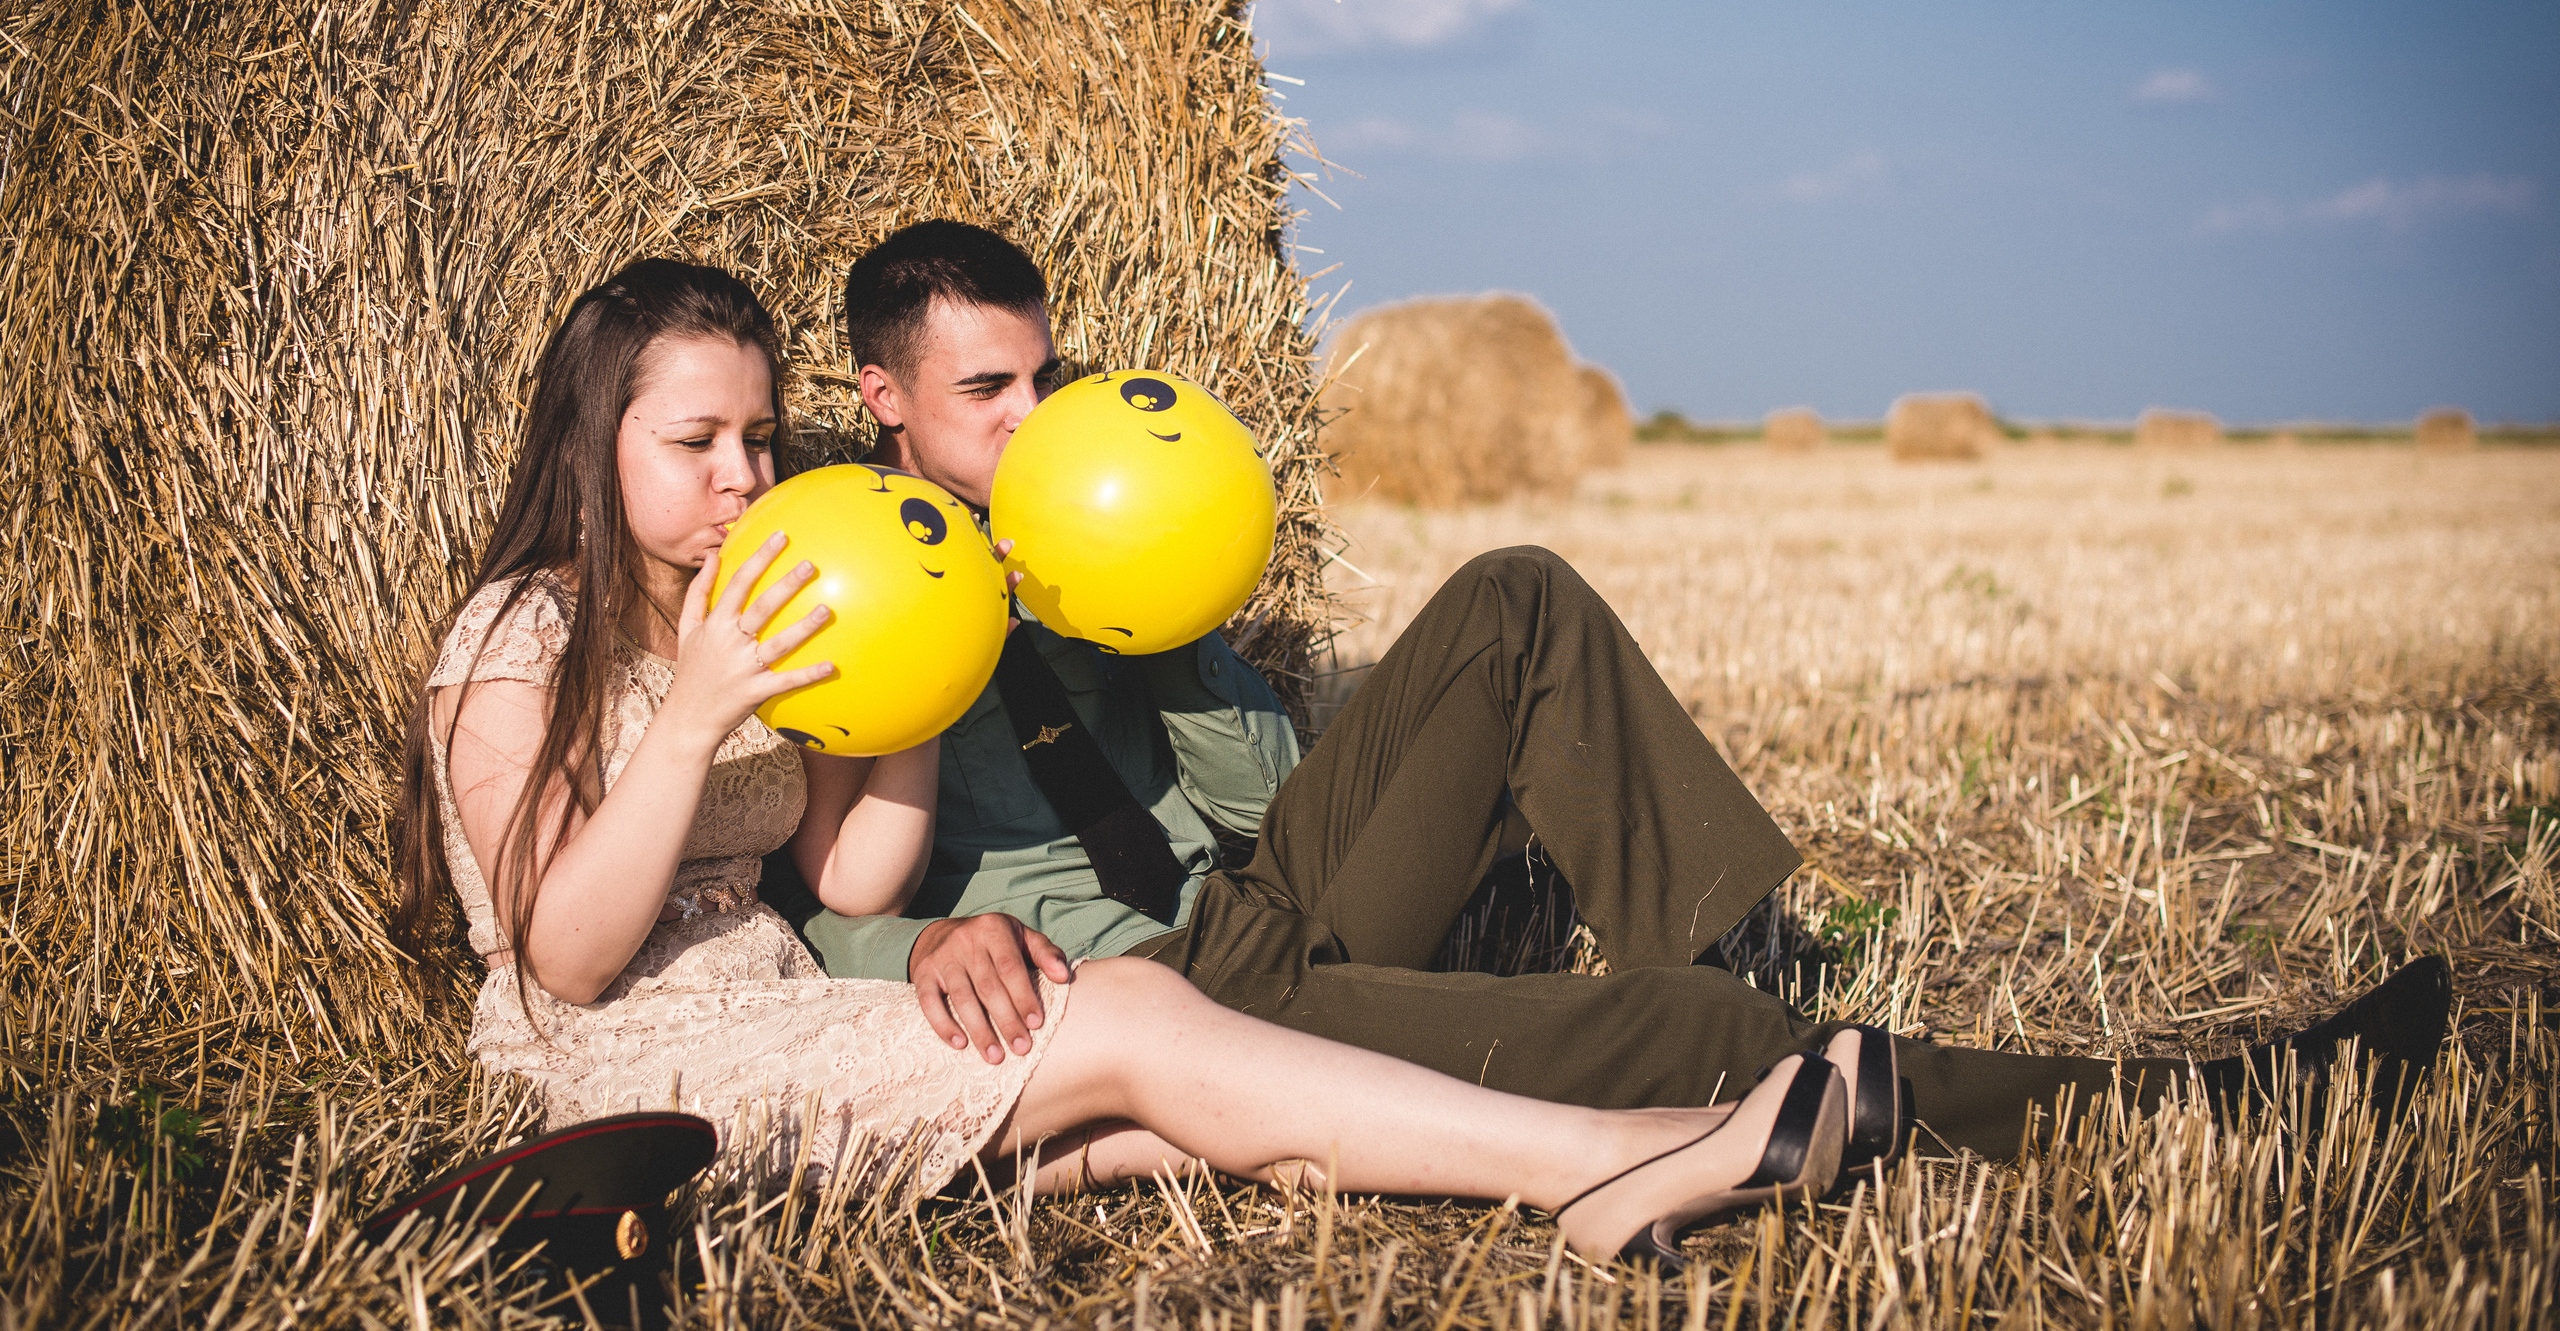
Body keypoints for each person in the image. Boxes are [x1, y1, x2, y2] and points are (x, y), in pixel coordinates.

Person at [777, 220, 2452, 1160]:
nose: (1036, 417)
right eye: (989, 390)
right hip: (1158, 999)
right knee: (1693, 1044)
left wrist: (1155, 624)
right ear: (883, 398)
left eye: (1048, 375)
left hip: (1258, 903)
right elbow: (773, 898)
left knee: (1518, 594)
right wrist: (912, 943)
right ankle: (2168, 1109)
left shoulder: (1091, 541)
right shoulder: (828, 582)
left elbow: (1263, 804)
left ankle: (1709, 972)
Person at [386, 256, 1897, 1262]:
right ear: (595, 442)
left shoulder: (786, 605)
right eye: (696, 442)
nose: (743, 477)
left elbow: (849, 871)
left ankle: (1684, 1120)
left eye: (761, 439)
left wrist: (931, 659)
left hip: (795, 1014)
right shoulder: (520, 636)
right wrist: (698, 713)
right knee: (1133, 1020)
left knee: (1173, 1121)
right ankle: (1606, 1159)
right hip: (631, 1078)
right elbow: (563, 956)